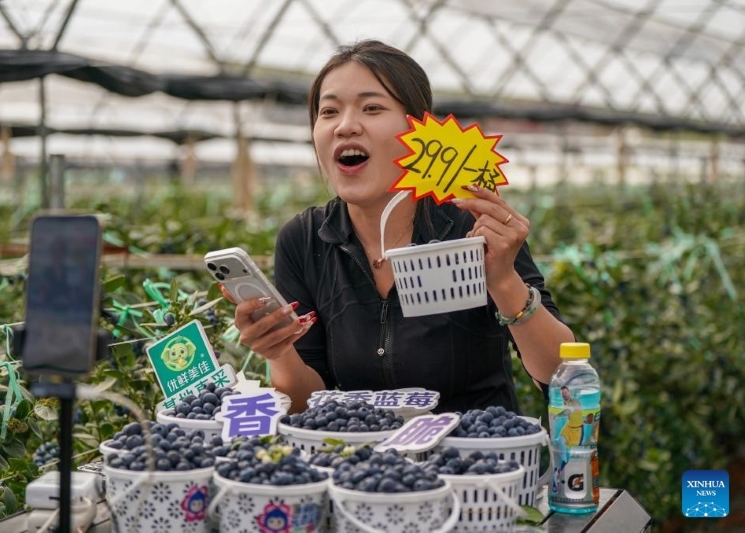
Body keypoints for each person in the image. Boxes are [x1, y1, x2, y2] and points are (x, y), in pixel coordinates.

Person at [225, 39, 575, 414]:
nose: (345, 127)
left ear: (419, 129)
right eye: (328, 111)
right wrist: (278, 353)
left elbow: (562, 376)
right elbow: (306, 403)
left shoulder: (472, 222)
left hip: (478, 459)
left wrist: (504, 281)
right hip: (369, 464)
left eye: (372, 107)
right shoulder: (304, 240)